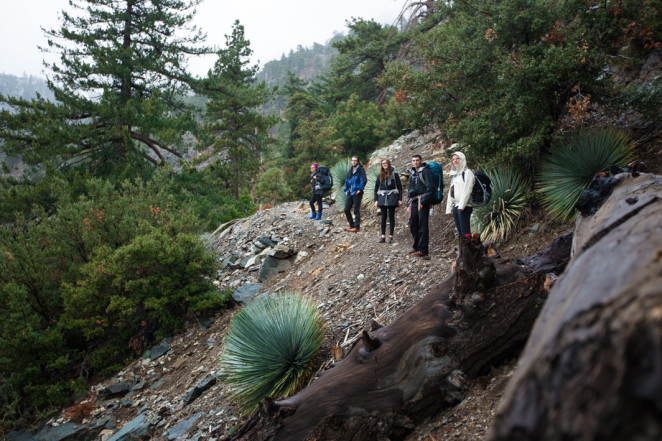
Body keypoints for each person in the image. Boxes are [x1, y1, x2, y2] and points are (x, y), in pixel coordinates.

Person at [407, 154, 433, 258]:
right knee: (413, 224)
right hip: (413, 201)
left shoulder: (426, 171)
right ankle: (416, 246)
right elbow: (409, 189)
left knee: (422, 225)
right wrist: (407, 204)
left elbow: (430, 188)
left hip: (422, 201)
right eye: (413, 160)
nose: (415, 162)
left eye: (417, 160)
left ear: (421, 161)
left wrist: (423, 201)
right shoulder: (413, 172)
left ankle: (423, 250)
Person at [373, 158, 403, 243]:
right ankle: (382, 236)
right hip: (382, 198)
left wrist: (400, 199)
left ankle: (391, 236)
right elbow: (376, 189)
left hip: (392, 197)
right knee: (383, 217)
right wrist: (376, 200)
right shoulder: (380, 175)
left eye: (385, 163)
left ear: (388, 164)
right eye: (383, 163)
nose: (384, 164)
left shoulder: (394, 174)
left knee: (391, 217)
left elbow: (399, 187)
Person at [446, 151, 475, 237]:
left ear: (462, 159)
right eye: (453, 159)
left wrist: (462, 205)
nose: (455, 161)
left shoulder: (467, 173)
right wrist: (449, 208)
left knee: (466, 232)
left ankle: (470, 249)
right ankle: (463, 249)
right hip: (456, 206)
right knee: (461, 233)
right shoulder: (455, 175)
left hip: (465, 206)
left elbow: (467, 190)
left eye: (457, 158)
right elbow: (451, 192)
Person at [343, 156, 367, 232]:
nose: (353, 162)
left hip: (357, 193)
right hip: (350, 192)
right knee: (346, 209)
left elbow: (364, 180)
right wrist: (346, 190)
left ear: (358, 162)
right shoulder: (351, 169)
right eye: (352, 160)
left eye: (355, 160)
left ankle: (357, 227)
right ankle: (351, 225)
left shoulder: (360, 169)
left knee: (356, 210)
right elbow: (347, 180)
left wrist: (360, 189)